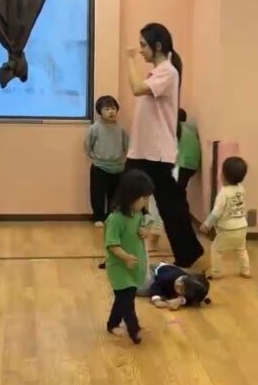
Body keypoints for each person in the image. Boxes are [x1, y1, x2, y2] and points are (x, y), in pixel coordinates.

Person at [124, 23, 204, 268]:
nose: (140, 50)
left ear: (157, 46)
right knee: (127, 202)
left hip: (156, 154)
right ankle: (122, 254)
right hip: (142, 151)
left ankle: (188, 253)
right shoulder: (158, 72)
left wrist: (129, 59)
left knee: (171, 206)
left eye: (143, 45)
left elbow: (137, 89)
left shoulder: (167, 72)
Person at [104, 170, 155, 345]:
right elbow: (111, 244)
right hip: (119, 268)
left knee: (124, 298)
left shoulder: (138, 214)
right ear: (130, 196)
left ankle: (112, 324)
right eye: (143, 198)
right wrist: (125, 257)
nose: (145, 202)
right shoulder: (115, 219)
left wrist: (146, 230)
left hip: (132, 267)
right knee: (127, 302)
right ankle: (134, 329)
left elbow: (148, 223)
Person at [200, 157, 250, 279]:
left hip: (227, 229)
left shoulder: (223, 193)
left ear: (223, 175)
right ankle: (245, 271)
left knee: (216, 249)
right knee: (241, 249)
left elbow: (216, 213)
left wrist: (207, 224)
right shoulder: (241, 189)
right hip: (242, 227)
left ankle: (216, 272)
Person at [85, 95, 129, 226]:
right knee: (97, 194)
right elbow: (87, 146)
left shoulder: (121, 129)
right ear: (100, 111)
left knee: (115, 195)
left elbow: (127, 146)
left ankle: (111, 217)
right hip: (99, 167)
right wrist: (95, 158)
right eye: (107, 109)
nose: (111, 111)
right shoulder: (94, 128)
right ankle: (98, 217)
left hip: (118, 167)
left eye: (113, 108)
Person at [147, 262, 212, 309]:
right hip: (158, 269)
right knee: (144, 290)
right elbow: (155, 286)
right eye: (180, 282)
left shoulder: (196, 288)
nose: (178, 285)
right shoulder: (167, 278)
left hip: (175, 270)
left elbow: (199, 296)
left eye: (181, 289)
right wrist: (156, 300)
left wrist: (181, 300)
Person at [177, 109, 201, 190]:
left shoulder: (177, 128)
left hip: (185, 164)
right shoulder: (192, 126)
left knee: (178, 189)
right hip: (195, 164)